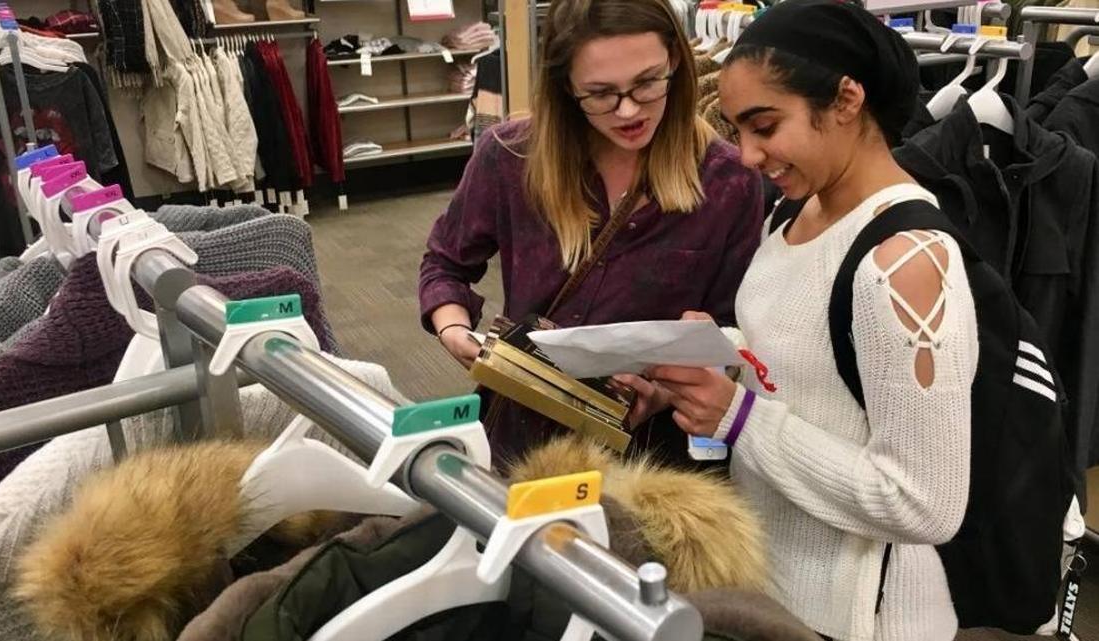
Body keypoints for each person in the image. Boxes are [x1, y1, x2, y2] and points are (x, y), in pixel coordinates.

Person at [618, 1, 976, 639]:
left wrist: (738, 416)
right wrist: (710, 352)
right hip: (775, 586)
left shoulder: (906, 261)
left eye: (765, 125)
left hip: (864, 615)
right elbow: (809, 363)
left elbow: (925, 503)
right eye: (737, 130)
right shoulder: (794, 213)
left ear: (845, 99)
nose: (749, 155)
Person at [418, 0, 762, 468]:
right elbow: (446, 261)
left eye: (647, 83)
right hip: (521, 439)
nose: (628, 111)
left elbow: (732, 330)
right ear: (565, 86)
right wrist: (455, 330)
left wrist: (664, 389)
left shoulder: (728, 181)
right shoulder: (510, 157)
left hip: (649, 467)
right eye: (600, 93)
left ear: (677, 61)